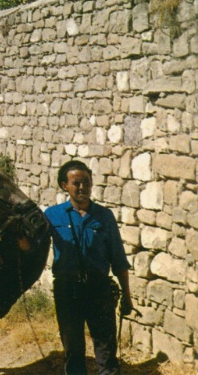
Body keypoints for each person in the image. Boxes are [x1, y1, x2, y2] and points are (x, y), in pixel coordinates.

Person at [45, 160, 133, 375]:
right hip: (67, 291)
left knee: (106, 351)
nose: (82, 187)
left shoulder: (104, 217)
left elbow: (118, 259)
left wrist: (127, 296)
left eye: (86, 182)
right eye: (76, 183)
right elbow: (34, 248)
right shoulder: (51, 215)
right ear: (64, 185)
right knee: (73, 352)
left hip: (99, 290)